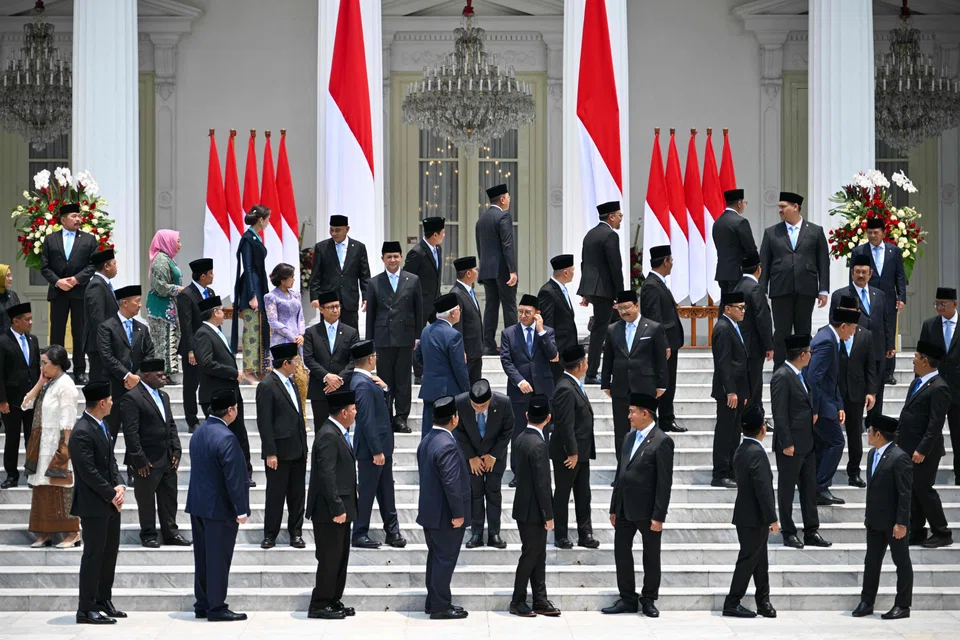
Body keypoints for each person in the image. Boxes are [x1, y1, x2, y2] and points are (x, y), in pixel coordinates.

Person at [602, 392, 674, 619]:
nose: (629, 415)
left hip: (647, 510)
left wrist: (659, 515)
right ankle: (627, 598)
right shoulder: (628, 438)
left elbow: (664, 481)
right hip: (624, 508)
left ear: (645, 413)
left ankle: (649, 598)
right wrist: (614, 507)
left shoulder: (662, 441)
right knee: (621, 552)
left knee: (651, 555)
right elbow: (620, 473)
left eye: (633, 411)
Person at [184, 389, 250, 622]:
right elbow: (232, 478)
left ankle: (203, 603)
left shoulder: (199, 432)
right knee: (218, 558)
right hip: (219, 508)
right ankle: (216, 606)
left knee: (202, 557)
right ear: (230, 410)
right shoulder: (227, 437)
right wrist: (241, 509)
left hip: (198, 505)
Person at [69, 381, 124, 625]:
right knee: (93, 555)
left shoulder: (104, 425)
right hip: (93, 504)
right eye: (110, 399)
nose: (113, 402)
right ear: (102, 403)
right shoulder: (81, 431)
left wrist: (120, 485)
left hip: (110, 502)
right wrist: (111, 493)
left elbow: (111, 460)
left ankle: (103, 599)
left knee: (109, 553)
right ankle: (86, 607)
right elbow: (88, 471)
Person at [119, 358, 189, 548]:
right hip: (146, 461)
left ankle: (171, 533)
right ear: (146, 376)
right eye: (159, 375)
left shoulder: (164, 396)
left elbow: (171, 424)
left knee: (169, 498)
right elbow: (131, 433)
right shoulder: (132, 398)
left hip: (166, 458)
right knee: (146, 499)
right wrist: (139, 460)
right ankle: (148, 534)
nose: (164, 378)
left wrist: (176, 449)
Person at [770, 334, 831, 549]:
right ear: (802, 354)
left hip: (807, 443)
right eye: (809, 352)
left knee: (808, 489)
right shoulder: (782, 376)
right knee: (787, 490)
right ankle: (789, 532)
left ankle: (811, 530)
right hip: (791, 446)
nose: (811, 356)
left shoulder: (800, 375)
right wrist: (786, 442)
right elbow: (779, 413)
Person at [852, 415, 914, 620]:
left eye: (869, 431)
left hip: (893, 523)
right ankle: (866, 601)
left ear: (878, 434)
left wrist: (901, 522)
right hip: (875, 521)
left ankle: (903, 605)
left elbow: (905, 493)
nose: (867, 434)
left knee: (901, 562)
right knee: (871, 562)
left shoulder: (899, 457)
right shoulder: (872, 455)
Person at [759, 192, 830, 367]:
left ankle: (803, 370)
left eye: (783, 207)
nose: (780, 210)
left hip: (806, 288)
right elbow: (765, 263)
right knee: (781, 331)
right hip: (780, 288)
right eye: (779, 207)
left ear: (795, 207)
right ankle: (780, 370)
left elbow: (823, 261)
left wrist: (823, 289)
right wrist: (762, 290)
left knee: (803, 330)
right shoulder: (771, 233)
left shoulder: (815, 231)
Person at [722, 404, 778, 619]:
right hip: (754, 517)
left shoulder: (742, 449)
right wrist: (772, 518)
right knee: (748, 559)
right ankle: (732, 601)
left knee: (759, 558)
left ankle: (763, 601)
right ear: (762, 429)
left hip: (747, 516)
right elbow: (763, 489)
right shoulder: (756, 453)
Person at [306, 390, 358, 620]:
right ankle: (320, 602)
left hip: (342, 508)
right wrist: (337, 507)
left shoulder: (338, 432)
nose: (356, 413)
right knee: (329, 557)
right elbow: (326, 476)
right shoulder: (328, 434)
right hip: (330, 511)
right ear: (344, 412)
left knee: (340, 556)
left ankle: (333, 599)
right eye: (353, 409)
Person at [416, 396, 470, 619]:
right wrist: (458, 513)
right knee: (444, 560)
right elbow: (451, 482)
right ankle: (440, 606)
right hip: (444, 515)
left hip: (431, 512)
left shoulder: (428, 439)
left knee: (436, 558)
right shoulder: (446, 444)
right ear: (454, 418)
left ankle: (434, 601)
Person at [22, 344, 80, 547]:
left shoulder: (66, 385)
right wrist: (39, 382)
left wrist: (65, 448)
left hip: (57, 444)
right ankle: (45, 531)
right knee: (42, 487)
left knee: (61, 488)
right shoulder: (48, 383)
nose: (42, 367)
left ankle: (73, 533)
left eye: (45, 363)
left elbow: (68, 419)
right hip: (41, 443)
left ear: (57, 364)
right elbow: (26, 404)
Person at [350, 340, 405, 549]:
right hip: (372, 450)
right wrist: (376, 450)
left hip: (381, 448)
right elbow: (366, 419)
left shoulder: (368, 382)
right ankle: (359, 532)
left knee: (386, 491)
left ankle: (392, 531)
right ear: (371, 359)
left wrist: (386, 389)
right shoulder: (362, 384)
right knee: (366, 492)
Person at [897, 340, 953, 548]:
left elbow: (935, 424)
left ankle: (942, 532)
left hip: (925, 450)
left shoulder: (940, 388)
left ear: (926, 361)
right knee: (913, 489)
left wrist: (922, 449)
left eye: (917, 356)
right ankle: (917, 530)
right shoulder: (917, 382)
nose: (913, 358)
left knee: (924, 489)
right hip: (908, 446)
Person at [602, 289, 668, 462]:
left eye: (627, 307)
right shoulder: (612, 329)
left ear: (637, 305)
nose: (624, 312)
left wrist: (662, 384)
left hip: (645, 386)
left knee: (648, 428)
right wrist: (605, 383)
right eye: (620, 308)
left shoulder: (653, 328)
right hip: (621, 387)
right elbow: (608, 358)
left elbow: (660, 359)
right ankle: (622, 469)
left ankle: (648, 464)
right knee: (621, 430)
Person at [510, 394, 561, 618]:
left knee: (537, 555)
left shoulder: (520, 438)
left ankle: (539, 599)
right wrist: (548, 514)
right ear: (548, 418)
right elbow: (542, 484)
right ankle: (518, 600)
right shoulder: (539, 445)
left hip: (523, 508)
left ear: (527, 415)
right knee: (531, 555)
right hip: (534, 511)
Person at [194, 295, 253, 486]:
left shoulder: (216, 332)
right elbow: (207, 363)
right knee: (219, 438)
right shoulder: (203, 333)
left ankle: (245, 473)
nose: (223, 313)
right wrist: (233, 372)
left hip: (231, 394)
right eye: (220, 310)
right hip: (216, 396)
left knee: (240, 435)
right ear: (214, 312)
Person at [365, 241, 422, 434]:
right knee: (384, 379)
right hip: (382, 338)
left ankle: (401, 418)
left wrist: (418, 336)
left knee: (403, 380)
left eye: (396, 256)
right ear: (382, 259)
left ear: (401, 257)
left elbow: (418, 310)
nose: (392, 260)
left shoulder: (412, 280)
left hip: (405, 338)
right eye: (388, 257)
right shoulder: (374, 282)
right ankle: (386, 416)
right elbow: (370, 314)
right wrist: (369, 343)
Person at [500, 294, 558, 483]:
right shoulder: (509, 333)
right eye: (520, 312)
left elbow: (552, 355)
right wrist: (519, 381)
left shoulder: (547, 332)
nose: (523, 315)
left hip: (542, 389)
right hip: (519, 391)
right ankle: (518, 472)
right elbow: (506, 361)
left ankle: (541, 471)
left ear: (537, 314)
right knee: (518, 432)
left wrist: (541, 331)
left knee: (543, 432)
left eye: (527, 312)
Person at [831, 254, 894, 427]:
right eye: (857, 272)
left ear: (870, 273)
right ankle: (852, 423)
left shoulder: (880, 295)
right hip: (854, 351)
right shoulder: (841, 295)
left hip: (878, 349)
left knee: (876, 390)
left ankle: (873, 425)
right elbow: (834, 323)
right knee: (855, 389)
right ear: (852, 273)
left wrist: (890, 345)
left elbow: (886, 321)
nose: (861, 275)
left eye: (864, 272)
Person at [256, 343, 307, 550]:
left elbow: (297, 418)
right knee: (275, 495)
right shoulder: (267, 385)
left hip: (297, 449)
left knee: (297, 495)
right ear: (285, 363)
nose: (296, 365)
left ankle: (296, 532)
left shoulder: (292, 384)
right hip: (278, 452)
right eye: (294, 361)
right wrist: (270, 452)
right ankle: (270, 534)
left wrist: (304, 448)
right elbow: (264, 422)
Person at [40, 202, 97, 383]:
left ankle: (80, 371)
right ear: (63, 220)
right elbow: (45, 267)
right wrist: (58, 281)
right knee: (57, 332)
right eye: (74, 216)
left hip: (80, 292)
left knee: (80, 332)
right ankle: (56, 369)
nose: (78, 219)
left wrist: (76, 279)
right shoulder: (50, 239)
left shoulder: (88, 239)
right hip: (58, 292)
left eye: (79, 216)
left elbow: (92, 265)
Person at [808, 308, 860, 506]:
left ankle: (816, 486)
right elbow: (813, 377)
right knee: (836, 443)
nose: (854, 332)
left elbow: (832, 378)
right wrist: (814, 409)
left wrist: (839, 405)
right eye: (853, 328)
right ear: (844, 326)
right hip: (821, 405)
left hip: (828, 403)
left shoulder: (830, 338)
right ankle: (820, 487)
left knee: (823, 445)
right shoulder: (827, 341)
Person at [455, 378, 513, 549]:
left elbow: (508, 430)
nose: (479, 410)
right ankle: (476, 533)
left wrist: (493, 455)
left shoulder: (503, 402)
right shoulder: (461, 402)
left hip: (495, 456)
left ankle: (494, 533)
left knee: (493, 492)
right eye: (475, 406)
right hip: (472, 457)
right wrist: (471, 457)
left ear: (490, 399)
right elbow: (459, 431)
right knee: (475, 493)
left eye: (483, 406)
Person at [550, 345, 597, 549]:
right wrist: (573, 452)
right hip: (568, 454)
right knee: (563, 493)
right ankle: (561, 535)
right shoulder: (565, 388)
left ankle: (585, 533)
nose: (587, 364)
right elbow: (565, 424)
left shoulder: (574, 384)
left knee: (583, 494)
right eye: (585, 361)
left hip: (581, 452)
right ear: (579, 365)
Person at [850, 216, 907, 386]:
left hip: (889, 299)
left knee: (888, 332)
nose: (873, 236)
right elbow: (852, 278)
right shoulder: (859, 251)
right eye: (869, 233)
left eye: (876, 232)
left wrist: (901, 297)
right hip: (866, 299)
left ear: (883, 233)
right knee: (864, 330)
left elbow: (900, 276)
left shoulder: (894, 251)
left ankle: (888, 372)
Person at [98, 286, 155, 439]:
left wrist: (137, 377)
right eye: (137, 301)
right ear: (124, 303)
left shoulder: (142, 329)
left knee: (136, 434)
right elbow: (107, 356)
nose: (140, 305)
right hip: (114, 388)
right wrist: (126, 376)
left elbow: (149, 354)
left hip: (137, 388)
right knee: (110, 433)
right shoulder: (106, 327)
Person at [833, 294, 878, 488]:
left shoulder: (865, 335)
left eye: (852, 312)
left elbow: (870, 365)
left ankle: (854, 472)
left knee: (854, 434)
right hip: (835, 391)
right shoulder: (832, 334)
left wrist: (871, 391)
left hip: (856, 391)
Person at [640, 245, 686, 432]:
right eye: (671, 259)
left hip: (669, 342)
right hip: (663, 344)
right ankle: (663, 419)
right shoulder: (651, 285)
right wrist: (663, 343)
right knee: (663, 383)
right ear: (665, 261)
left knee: (669, 382)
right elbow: (654, 319)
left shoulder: (658, 283)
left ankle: (667, 418)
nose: (672, 263)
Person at [579, 201, 624, 384]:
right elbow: (615, 267)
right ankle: (591, 373)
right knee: (600, 331)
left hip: (595, 290)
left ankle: (611, 369)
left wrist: (586, 292)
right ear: (611, 216)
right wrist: (621, 296)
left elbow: (585, 264)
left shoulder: (590, 234)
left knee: (613, 328)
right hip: (606, 291)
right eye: (619, 215)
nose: (620, 219)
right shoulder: (610, 236)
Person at [918, 287, 960, 485]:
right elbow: (921, 357)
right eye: (937, 303)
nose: (940, 307)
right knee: (930, 431)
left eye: (943, 303)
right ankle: (926, 474)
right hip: (934, 389)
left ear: (955, 304)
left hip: (958, 390)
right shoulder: (929, 325)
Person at [415, 293, 471, 434]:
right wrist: (467, 392)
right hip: (448, 394)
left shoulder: (426, 331)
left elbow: (418, 357)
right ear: (452, 313)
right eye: (459, 309)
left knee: (428, 433)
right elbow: (459, 368)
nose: (460, 313)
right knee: (448, 436)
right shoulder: (454, 335)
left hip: (429, 390)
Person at [711, 292, 749, 488]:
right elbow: (724, 363)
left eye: (744, 307)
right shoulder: (723, 328)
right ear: (727, 308)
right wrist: (731, 391)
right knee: (725, 432)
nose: (743, 311)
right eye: (740, 307)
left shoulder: (733, 326)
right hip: (728, 392)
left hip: (737, 391)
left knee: (734, 432)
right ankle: (720, 473)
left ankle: (732, 470)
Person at [303, 289, 358, 425]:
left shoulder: (351, 332)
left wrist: (339, 380)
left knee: (342, 429)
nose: (335, 310)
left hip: (343, 388)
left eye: (337, 306)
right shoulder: (311, 332)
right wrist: (327, 376)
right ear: (321, 309)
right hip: (320, 388)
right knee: (321, 428)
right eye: (331, 307)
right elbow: (308, 359)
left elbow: (354, 360)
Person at [0, 302, 39, 488]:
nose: (31, 322)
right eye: (27, 319)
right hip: (12, 401)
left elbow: (37, 369)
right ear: (16, 321)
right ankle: (11, 475)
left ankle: (31, 474)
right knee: (12, 438)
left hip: (32, 399)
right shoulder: (3, 342)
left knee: (32, 439)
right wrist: (2, 400)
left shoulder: (33, 340)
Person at [309, 215, 371, 331]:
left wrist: (366, 297)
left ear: (347, 229)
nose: (333, 233)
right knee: (328, 333)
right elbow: (316, 274)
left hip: (350, 298)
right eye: (331, 230)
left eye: (337, 230)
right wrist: (314, 297)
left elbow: (364, 275)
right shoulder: (322, 247)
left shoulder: (359, 247)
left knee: (351, 332)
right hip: (328, 297)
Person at [476, 184, 518, 355]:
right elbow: (507, 245)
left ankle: (488, 345)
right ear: (502, 199)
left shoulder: (481, 219)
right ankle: (512, 345)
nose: (509, 200)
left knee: (491, 306)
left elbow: (480, 247)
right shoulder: (503, 217)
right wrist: (512, 270)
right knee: (509, 306)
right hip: (502, 270)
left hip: (486, 270)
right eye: (508, 197)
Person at [232, 204, 271, 384]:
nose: (268, 222)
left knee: (260, 329)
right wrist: (252, 295)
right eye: (267, 219)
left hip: (258, 285)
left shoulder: (256, 237)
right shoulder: (248, 238)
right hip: (251, 288)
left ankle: (259, 368)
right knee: (251, 331)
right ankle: (248, 370)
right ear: (261, 220)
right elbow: (247, 267)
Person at [176, 258, 215, 433]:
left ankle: (211, 414)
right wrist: (191, 349)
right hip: (193, 347)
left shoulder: (211, 292)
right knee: (191, 385)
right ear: (202, 276)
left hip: (210, 346)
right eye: (210, 273)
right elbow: (186, 324)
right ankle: (191, 419)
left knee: (210, 381)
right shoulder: (186, 294)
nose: (213, 276)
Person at [405, 217, 445, 383]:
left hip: (435, 302)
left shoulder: (438, 249)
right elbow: (407, 279)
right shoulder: (417, 253)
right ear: (435, 234)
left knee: (443, 332)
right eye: (442, 233)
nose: (444, 235)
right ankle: (419, 373)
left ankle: (440, 366)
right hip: (419, 303)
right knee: (418, 338)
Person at [264, 263, 307, 408]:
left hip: (298, 341)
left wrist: (301, 334)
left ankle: (302, 415)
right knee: (282, 379)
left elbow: (300, 317)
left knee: (301, 378)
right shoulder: (271, 297)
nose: (294, 279)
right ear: (283, 279)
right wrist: (290, 335)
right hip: (281, 340)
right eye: (291, 277)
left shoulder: (296, 294)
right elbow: (273, 321)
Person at [734, 250, 774, 409]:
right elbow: (762, 319)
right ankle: (755, 418)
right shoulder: (755, 288)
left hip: (741, 343)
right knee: (755, 384)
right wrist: (769, 345)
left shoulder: (738, 286)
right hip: (754, 345)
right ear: (759, 269)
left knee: (747, 383)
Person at [146, 230, 184, 379]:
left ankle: (165, 373)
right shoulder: (161, 260)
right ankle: (162, 374)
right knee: (162, 340)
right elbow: (160, 286)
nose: (180, 244)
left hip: (168, 307)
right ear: (167, 241)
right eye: (177, 241)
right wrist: (180, 289)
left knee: (168, 339)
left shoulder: (167, 258)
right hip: (161, 308)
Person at [538, 254, 578, 383]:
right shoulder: (548, 291)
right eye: (572, 270)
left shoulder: (562, 289)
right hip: (558, 352)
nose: (574, 273)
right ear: (565, 273)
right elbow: (548, 323)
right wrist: (552, 348)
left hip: (568, 351)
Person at [83, 250, 119, 384]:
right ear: (106, 266)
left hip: (103, 344)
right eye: (114, 264)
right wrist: (107, 342)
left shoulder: (103, 284)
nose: (117, 268)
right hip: (99, 345)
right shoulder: (96, 285)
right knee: (99, 382)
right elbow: (97, 318)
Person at [713, 189, 758, 294]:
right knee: (736, 306)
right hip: (738, 273)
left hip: (722, 273)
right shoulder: (741, 222)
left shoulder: (717, 222)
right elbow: (751, 249)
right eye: (744, 203)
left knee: (725, 306)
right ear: (739, 203)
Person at [450, 256, 484, 383]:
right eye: (475, 269)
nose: (477, 272)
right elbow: (457, 325)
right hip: (467, 352)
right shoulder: (457, 293)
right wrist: (460, 350)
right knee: (465, 387)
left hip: (476, 350)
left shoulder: (469, 291)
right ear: (468, 273)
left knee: (476, 388)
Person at [0, 264, 21, 335]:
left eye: (10, 275)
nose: (10, 278)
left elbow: (19, 318)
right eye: (7, 275)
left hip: (11, 341)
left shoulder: (12, 295)